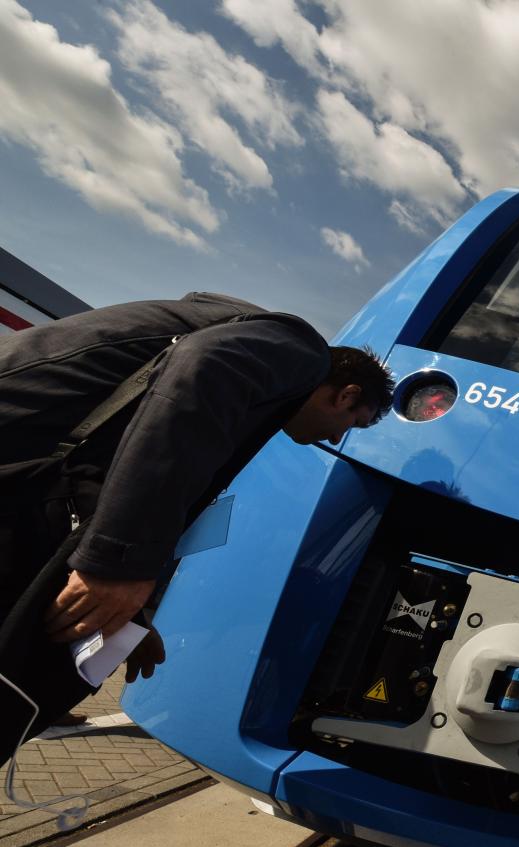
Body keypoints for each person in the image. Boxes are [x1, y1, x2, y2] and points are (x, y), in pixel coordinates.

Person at [0, 293, 394, 763]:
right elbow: (203, 371)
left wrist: (130, 611)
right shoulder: (299, 349)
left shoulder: (254, 364)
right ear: (346, 394)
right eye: (354, 421)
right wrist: (119, 567)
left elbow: (109, 466)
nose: (336, 437)